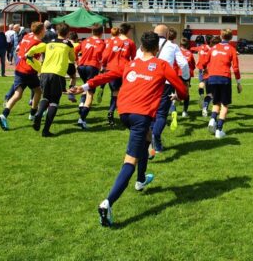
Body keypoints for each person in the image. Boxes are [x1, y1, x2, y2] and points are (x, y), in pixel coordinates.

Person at [70, 31, 188, 227]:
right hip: (140, 117)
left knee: (147, 137)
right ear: (157, 49)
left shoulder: (130, 64)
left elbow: (107, 75)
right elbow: (183, 92)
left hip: (124, 114)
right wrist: (178, 95)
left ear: (141, 47)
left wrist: (83, 87)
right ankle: (107, 202)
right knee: (129, 162)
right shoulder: (162, 65)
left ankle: (141, 180)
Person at [138, 25, 189, 154]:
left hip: (146, 81)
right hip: (165, 83)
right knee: (161, 113)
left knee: (148, 112)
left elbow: (136, 61)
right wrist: (185, 79)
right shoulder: (172, 46)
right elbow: (183, 64)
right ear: (166, 35)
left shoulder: (143, 46)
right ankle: (156, 136)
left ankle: (148, 139)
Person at [26, 23, 76, 137]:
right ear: (68, 33)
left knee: (46, 97)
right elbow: (73, 58)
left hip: (44, 73)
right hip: (57, 74)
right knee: (54, 101)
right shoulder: (68, 44)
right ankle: (46, 130)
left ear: (57, 32)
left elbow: (31, 51)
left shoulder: (49, 42)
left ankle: (38, 113)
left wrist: (37, 65)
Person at [0, 22, 45, 131]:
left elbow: (18, 49)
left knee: (17, 95)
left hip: (19, 69)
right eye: (44, 29)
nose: (45, 31)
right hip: (29, 71)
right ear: (41, 31)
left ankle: (3, 115)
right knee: (38, 91)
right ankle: (32, 114)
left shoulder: (27, 36)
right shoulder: (38, 42)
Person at [200, 29, 243, 138]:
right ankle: (219, 130)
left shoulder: (213, 48)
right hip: (224, 78)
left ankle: (212, 119)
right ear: (231, 38)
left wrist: (204, 69)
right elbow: (236, 68)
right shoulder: (232, 49)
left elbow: (203, 62)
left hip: (212, 78)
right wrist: (238, 82)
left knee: (216, 102)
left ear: (220, 36)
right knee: (224, 105)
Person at [101, 23, 136, 127]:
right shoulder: (130, 42)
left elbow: (105, 55)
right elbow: (133, 58)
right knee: (123, 93)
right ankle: (122, 114)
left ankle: (112, 112)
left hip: (111, 70)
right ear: (128, 31)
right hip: (123, 71)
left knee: (115, 92)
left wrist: (103, 65)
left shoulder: (111, 41)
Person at [75, 24, 106, 129]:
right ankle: (82, 119)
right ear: (101, 33)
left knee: (85, 86)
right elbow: (103, 56)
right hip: (92, 67)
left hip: (81, 67)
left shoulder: (85, 41)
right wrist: (102, 65)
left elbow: (75, 50)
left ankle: (81, 103)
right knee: (90, 93)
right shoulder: (102, 43)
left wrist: (76, 60)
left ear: (92, 32)